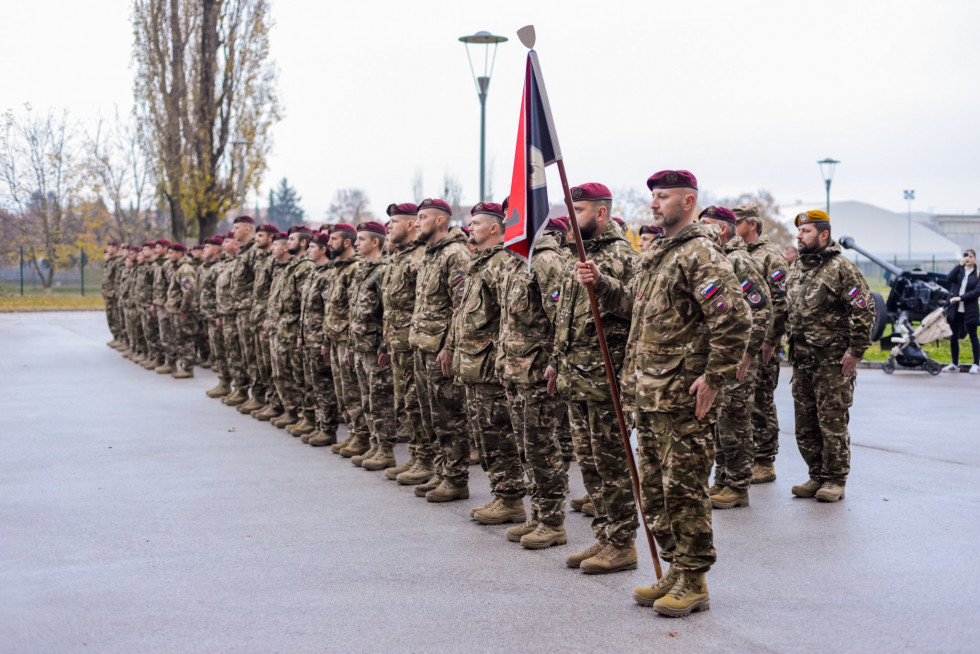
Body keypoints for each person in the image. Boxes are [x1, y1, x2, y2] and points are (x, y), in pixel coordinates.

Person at [581, 170, 750, 617]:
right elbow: (632, 305)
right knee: (655, 491)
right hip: (650, 394)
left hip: (681, 398)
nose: (655, 205)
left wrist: (715, 378)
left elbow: (735, 319)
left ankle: (694, 580)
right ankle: (675, 569)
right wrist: (600, 283)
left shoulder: (700, 253)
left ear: (689, 202)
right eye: (653, 197)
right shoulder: (657, 253)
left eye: (664, 197)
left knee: (685, 492)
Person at [549, 182, 640, 575]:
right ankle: (604, 536)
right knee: (589, 464)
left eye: (579, 209)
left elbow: (637, 306)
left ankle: (623, 543)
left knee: (613, 464)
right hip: (576, 374)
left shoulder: (624, 257)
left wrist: (602, 283)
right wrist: (556, 360)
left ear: (601, 214)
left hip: (607, 379)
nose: (572, 218)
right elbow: (567, 316)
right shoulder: (578, 256)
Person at [786, 210, 875, 503]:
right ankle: (816, 475)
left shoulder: (841, 268)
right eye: (799, 231)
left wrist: (855, 351)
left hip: (831, 362)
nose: (799, 236)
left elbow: (864, 311)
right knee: (805, 423)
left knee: (832, 423)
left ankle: (835, 480)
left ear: (824, 236)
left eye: (806, 231)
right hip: (802, 360)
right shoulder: (798, 267)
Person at [450, 203, 527, 519]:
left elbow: (508, 319)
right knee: (485, 433)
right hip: (473, 365)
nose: (470, 227)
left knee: (498, 434)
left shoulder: (499, 264)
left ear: (495, 228)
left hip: (490, 367)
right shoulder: (479, 264)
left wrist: (503, 362)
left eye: (477, 222)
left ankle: (511, 500)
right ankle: (501, 494)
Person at [498, 216, 570, 547]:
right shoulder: (518, 261)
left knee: (543, 449)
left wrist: (556, 363)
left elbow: (561, 319)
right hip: (517, 372)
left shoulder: (546, 260)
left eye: (514, 214)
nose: (507, 222)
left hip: (539, 374)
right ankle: (538, 514)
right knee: (528, 449)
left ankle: (553, 521)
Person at [698, 206, 772, 510]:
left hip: (738, 357)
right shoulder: (713, 256)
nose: (700, 228)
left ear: (723, 230)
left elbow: (761, 309)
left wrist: (748, 353)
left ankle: (738, 485)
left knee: (735, 420)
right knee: (720, 422)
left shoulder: (739, 261)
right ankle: (723, 480)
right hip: (719, 355)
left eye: (707, 224)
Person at [409, 198, 472, 502]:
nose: (416, 222)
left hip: (440, 351)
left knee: (449, 416)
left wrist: (450, 347)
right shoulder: (429, 255)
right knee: (431, 415)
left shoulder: (455, 254)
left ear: (439, 221)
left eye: (422, 217)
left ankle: (456, 479)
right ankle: (441, 471)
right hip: (423, 346)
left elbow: (462, 307)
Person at [733, 203, 789, 484]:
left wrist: (771, 339)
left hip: (765, 342)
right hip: (744, 342)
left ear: (752, 224)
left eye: (738, 221)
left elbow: (779, 303)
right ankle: (748, 457)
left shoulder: (770, 256)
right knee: (744, 403)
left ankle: (765, 460)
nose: (733, 225)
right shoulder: (736, 253)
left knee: (762, 401)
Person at [348, 222, 399, 469]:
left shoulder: (382, 271)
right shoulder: (363, 270)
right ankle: (375, 444)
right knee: (367, 398)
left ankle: (386, 449)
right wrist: (350, 343)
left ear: (375, 242)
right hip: (360, 344)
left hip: (375, 346)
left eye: (361, 239)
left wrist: (385, 346)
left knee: (380, 400)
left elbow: (388, 312)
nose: (356, 243)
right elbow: (354, 313)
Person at [943, 250, 980, 373]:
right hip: (956, 310)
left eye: (970, 256)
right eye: (966, 256)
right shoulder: (959, 271)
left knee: (973, 336)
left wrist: (961, 298)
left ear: (974, 259)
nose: (968, 258)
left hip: (970, 310)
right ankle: (954, 364)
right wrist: (959, 265)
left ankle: (976, 364)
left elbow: (976, 292)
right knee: (954, 336)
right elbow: (948, 278)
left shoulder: (978, 274)